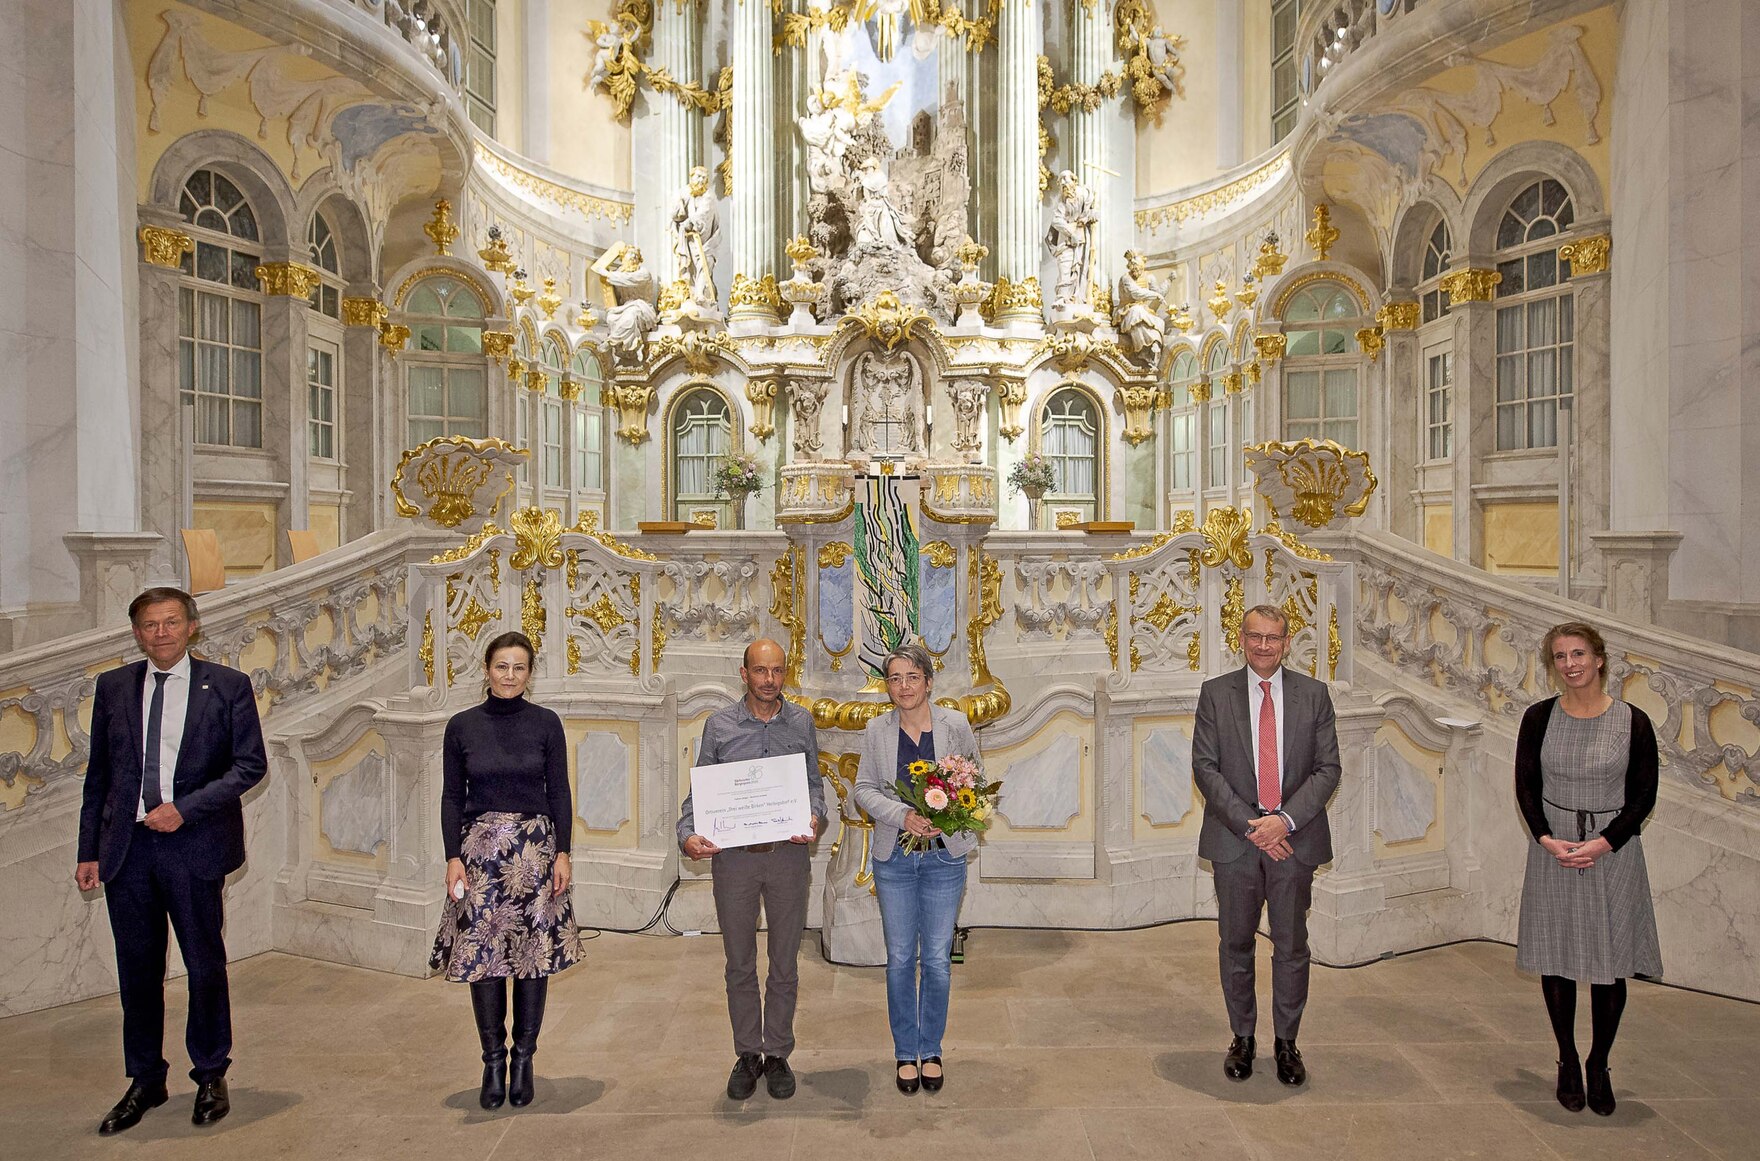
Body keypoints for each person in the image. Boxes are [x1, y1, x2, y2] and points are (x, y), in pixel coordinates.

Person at [75, 587, 267, 1134]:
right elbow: (99, 779)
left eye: (171, 622)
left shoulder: (227, 686)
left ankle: (210, 1072)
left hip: (194, 846)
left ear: (191, 627)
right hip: (127, 852)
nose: (161, 632)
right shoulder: (113, 687)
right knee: (137, 971)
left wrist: (184, 810)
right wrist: (89, 849)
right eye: (150, 625)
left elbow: (249, 766)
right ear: (136, 633)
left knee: (204, 965)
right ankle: (145, 1079)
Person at [431, 631, 584, 1109]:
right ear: (486, 670)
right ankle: (492, 1061)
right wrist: (452, 857)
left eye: (519, 668)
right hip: (478, 855)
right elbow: (452, 796)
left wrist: (563, 852)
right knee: (485, 961)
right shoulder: (461, 726)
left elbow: (559, 790)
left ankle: (524, 1060)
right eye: (502, 666)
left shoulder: (546, 723)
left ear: (529, 674)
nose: (510, 676)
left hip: (535, 854)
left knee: (533, 957)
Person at [1515, 621, 1662, 1117]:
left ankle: (1599, 1063)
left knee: (1608, 963)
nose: (1570, 664)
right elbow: (1526, 785)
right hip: (1554, 848)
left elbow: (1643, 796)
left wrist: (1603, 844)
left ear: (1599, 659)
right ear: (1552, 665)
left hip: (1612, 852)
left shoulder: (1633, 721)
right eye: (1560, 657)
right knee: (1556, 957)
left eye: (1579, 654)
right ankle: (1568, 1060)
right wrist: (1546, 839)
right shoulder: (1538, 718)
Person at [1192, 604, 1341, 1087]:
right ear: (1242, 638)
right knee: (1235, 944)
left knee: (1291, 944)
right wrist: (1254, 825)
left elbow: (1328, 770)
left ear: (1286, 642)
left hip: (1294, 843)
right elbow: (1206, 768)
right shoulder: (1216, 694)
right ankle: (1243, 1037)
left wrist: (1284, 822)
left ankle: (1286, 1043)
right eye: (1254, 636)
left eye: (1272, 638)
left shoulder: (1313, 695)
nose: (1262, 645)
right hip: (1236, 843)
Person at [679, 639, 826, 1101]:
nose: (769, 680)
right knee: (739, 962)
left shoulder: (800, 721)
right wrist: (687, 833)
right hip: (735, 863)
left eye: (778, 671)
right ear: (743, 673)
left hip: (787, 858)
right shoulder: (719, 726)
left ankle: (777, 1051)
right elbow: (700, 793)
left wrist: (814, 816)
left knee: (785, 962)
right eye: (760, 671)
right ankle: (747, 1053)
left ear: (786, 673)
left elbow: (813, 786)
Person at [853, 642, 982, 1096]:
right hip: (896, 859)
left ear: (928, 681)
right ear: (886, 686)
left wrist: (951, 812)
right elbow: (863, 791)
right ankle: (905, 1052)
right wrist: (901, 815)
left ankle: (932, 1049)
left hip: (945, 858)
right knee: (901, 959)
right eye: (895, 679)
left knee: (938, 963)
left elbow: (975, 783)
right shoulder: (876, 731)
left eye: (912, 677)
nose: (903, 687)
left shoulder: (956, 726)